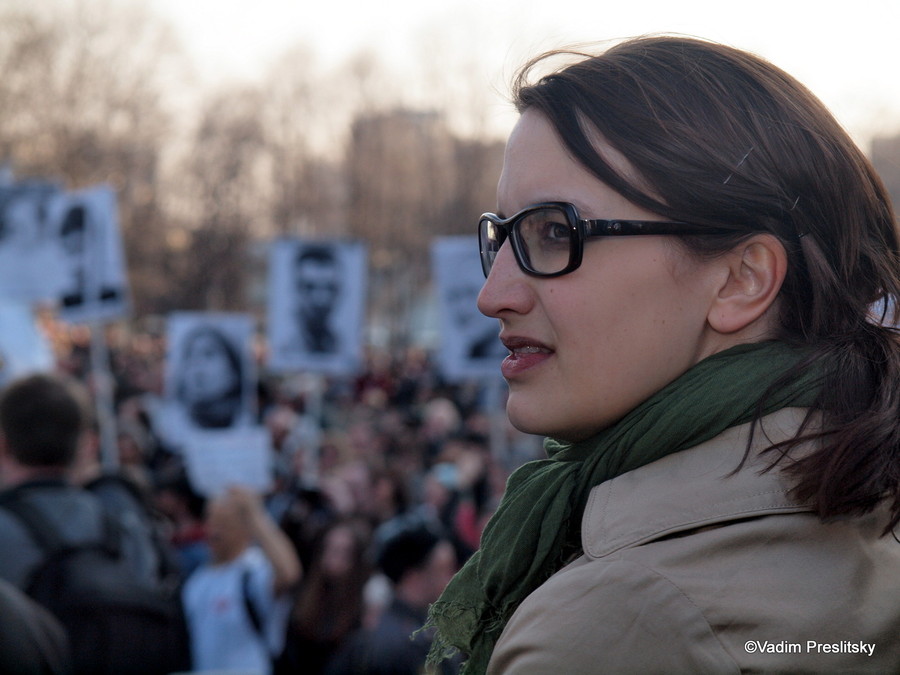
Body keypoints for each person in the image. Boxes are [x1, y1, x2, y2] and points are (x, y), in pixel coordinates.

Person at [426, 36, 900, 673]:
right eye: (503, 236)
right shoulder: (868, 520)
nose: (493, 296)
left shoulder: (614, 623)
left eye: (554, 232)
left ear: (742, 280)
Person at [181, 485, 302, 675]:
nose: (214, 532)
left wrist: (256, 514)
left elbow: (289, 574)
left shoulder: (255, 569)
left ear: (246, 529)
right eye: (211, 521)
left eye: (224, 524)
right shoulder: (197, 581)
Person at [328, 518, 458, 675]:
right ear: (413, 577)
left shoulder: (421, 627)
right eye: (445, 569)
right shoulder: (401, 642)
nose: (454, 578)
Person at [175, 324, 247, 429]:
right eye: (190, 355)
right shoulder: (172, 423)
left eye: (208, 354)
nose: (197, 365)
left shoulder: (248, 422)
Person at [292, 243, 342, 354]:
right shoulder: (287, 346)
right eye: (309, 287)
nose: (320, 299)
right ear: (295, 289)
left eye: (329, 288)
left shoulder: (341, 345)